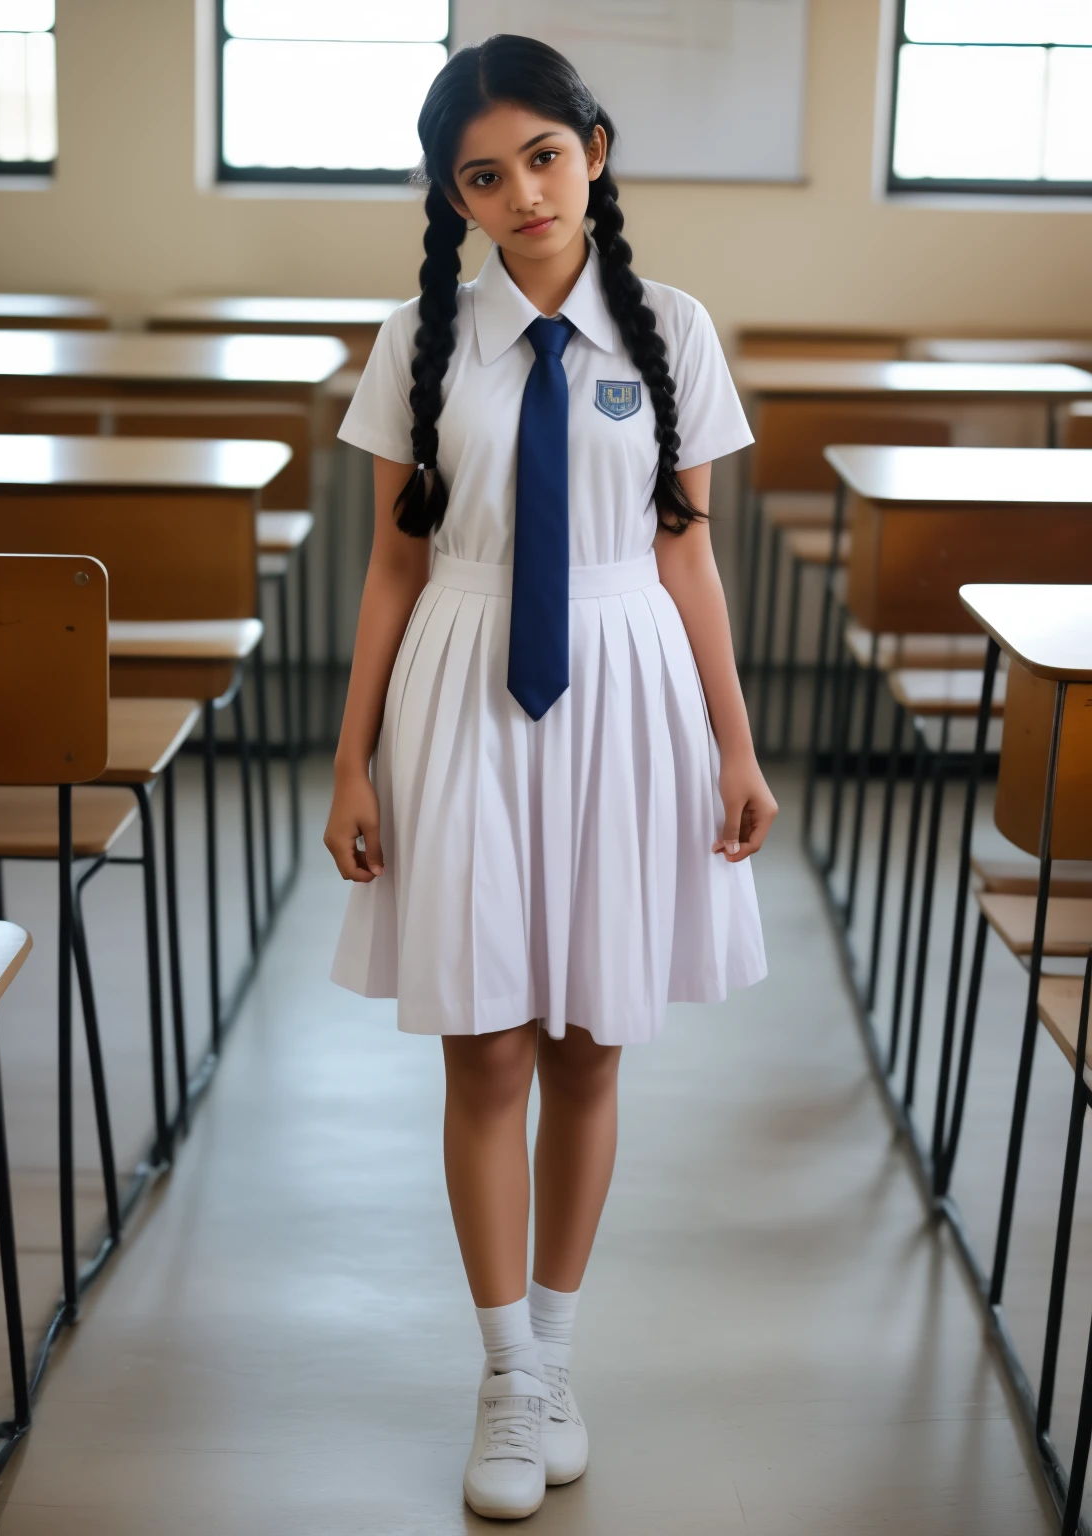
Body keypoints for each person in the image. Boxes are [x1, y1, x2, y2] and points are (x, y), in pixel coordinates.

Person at [324, 33, 776, 1521]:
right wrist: (351, 759)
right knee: (489, 1047)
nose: (522, 193)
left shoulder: (675, 331)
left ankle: (560, 1351)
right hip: (461, 686)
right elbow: (395, 563)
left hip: (630, 686)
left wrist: (736, 739)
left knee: (590, 1043)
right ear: (453, 197)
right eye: (483, 175)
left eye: (543, 157)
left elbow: (687, 553)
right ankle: (505, 1373)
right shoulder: (419, 340)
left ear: (594, 147)